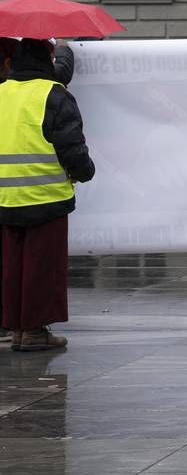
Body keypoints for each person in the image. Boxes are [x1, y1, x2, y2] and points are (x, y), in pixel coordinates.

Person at [0, 39, 95, 353]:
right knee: (43, 267)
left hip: (5, 198)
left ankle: (17, 329)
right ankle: (35, 331)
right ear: (47, 59)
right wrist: (85, 171)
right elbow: (71, 146)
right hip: (45, 198)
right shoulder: (53, 94)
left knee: (13, 266)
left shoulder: (2, 92)